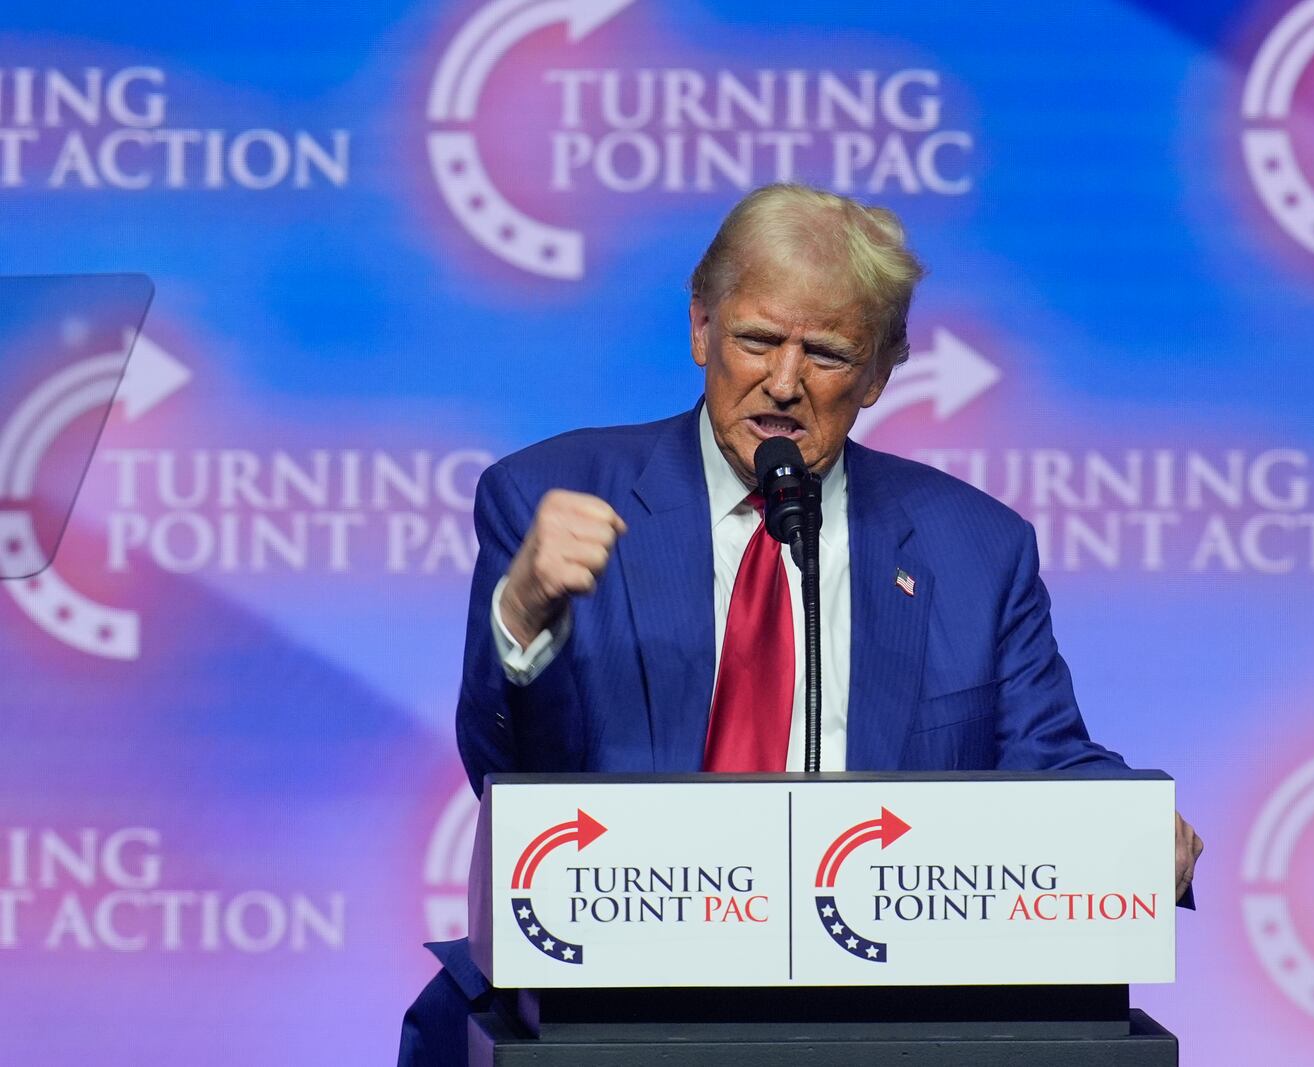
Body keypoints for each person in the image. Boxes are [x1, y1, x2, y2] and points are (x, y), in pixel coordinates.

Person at [399, 183, 1203, 1066]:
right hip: (610, 1008)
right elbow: (507, 772)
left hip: (881, 1018)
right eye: (756, 340)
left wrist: (1132, 826)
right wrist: (522, 610)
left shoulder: (977, 550)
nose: (783, 381)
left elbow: (1047, 760)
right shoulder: (552, 494)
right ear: (701, 327)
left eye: (824, 352)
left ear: (882, 371)